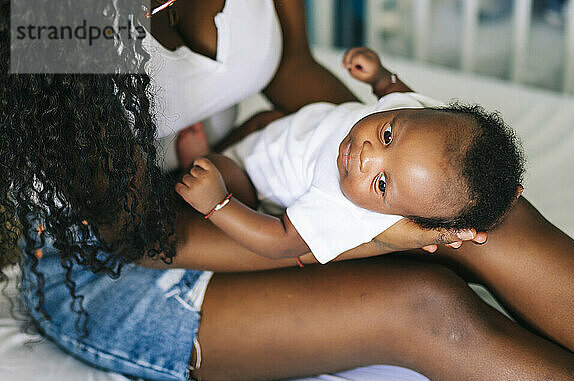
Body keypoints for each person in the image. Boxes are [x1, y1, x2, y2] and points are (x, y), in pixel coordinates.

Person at [3, 1, 574, 381]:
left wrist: (380, 161)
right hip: (113, 265)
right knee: (425, 305)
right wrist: (358, 237)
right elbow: (138, 239)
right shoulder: (57, 18)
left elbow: (290, 67)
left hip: (234, 178)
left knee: (478, 207)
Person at [175, 48, 524, 264]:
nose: (365, 157)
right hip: (287, 132)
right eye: (387, 136)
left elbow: (279, 241)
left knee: (218, 170)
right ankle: (222, 149)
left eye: (382, 184)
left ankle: (206, 160)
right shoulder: (416, 114)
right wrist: (381, 77)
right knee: (264, 121)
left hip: (251, 179)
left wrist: (217, 203)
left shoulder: (345, 209)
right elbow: (398, 95)